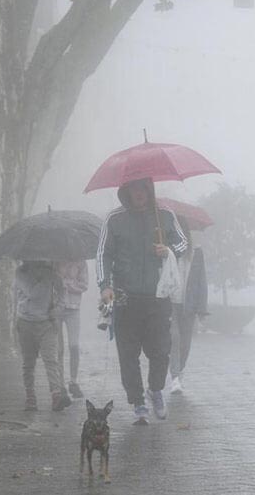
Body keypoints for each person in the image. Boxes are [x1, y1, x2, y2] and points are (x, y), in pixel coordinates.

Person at [97, 177, 188, 423]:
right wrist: (105, 286)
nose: (139, 194)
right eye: (134, 189)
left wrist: (168, 249)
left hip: (158, 297)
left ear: (149, 189)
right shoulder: (114, 219)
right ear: (126, 191)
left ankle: (155, 389)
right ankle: (138, 403)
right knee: (128, 355)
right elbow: (103, 254)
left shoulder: (165, 215)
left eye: (143, 189)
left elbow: (182, 242)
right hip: (125, 298)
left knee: (160, 351)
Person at [14, 260, 72, 412]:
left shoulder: (51, 272)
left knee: (51, 360)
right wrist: (45, 276)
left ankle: (56, 395)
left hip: (47, 323)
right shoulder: (20, 273)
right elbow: (32, 293)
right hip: (26, 323)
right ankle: (30, 396)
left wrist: (58, 309)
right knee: (28, 363)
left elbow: (63, 292)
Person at [168, 217, 208, 395]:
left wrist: (201, 309)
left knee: (185, 343)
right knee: (174, 338)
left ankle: (180, 371)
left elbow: (201, 281)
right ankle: (175, 377)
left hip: (189, 305)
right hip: (170, 303)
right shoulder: (169, 252)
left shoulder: (196, 254)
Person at [56, 260, 89, 399]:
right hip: (56, 307)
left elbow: (84, 285)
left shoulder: (80, 262)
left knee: (74, 345)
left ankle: (73, 382)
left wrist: (69, 285)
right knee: (58, 348)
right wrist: (58, 282)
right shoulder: (55, 260)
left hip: (73, 308)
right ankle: (60, 384)